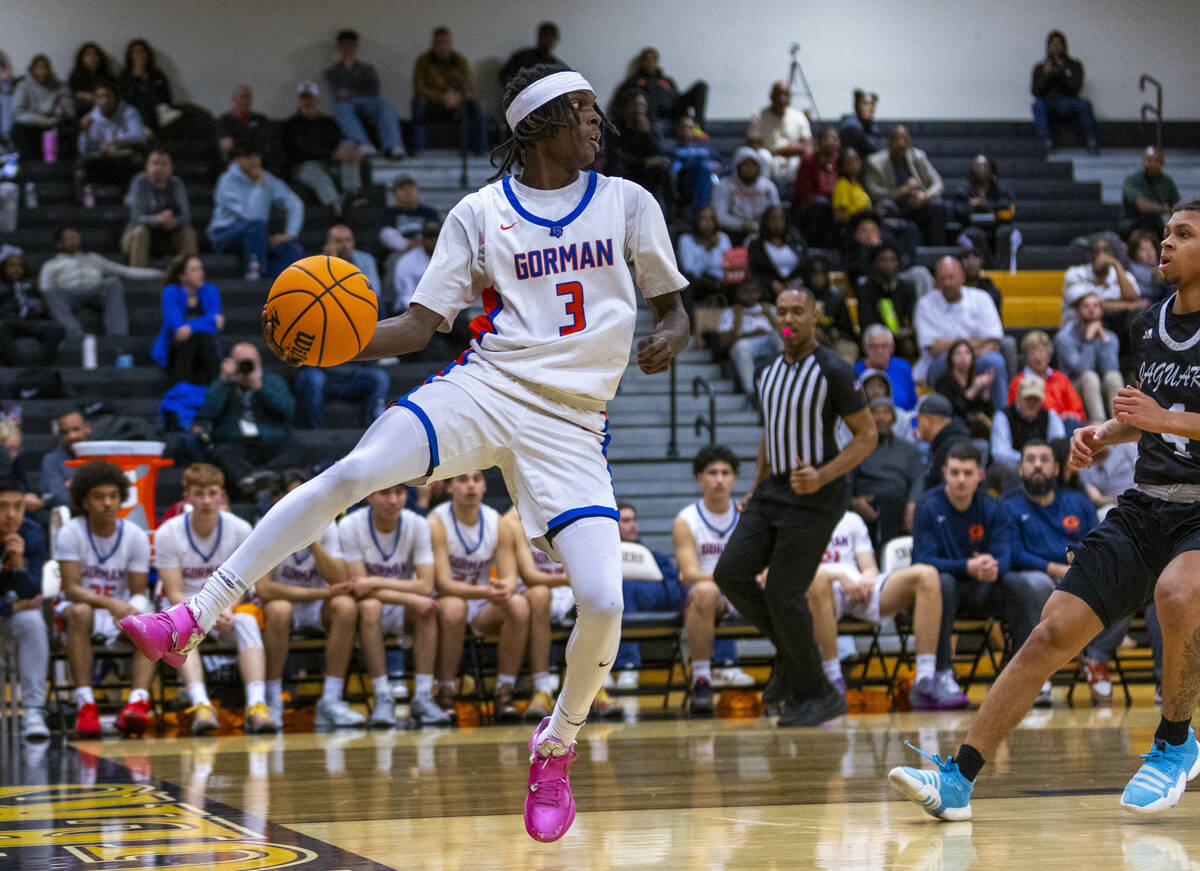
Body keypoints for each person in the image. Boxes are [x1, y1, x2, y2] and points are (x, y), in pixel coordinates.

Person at [120, 63, 691, 844]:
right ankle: (195, 612)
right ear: (540, 124)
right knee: (351, 472)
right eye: (585, 111)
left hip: (572, 424)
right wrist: (331, 345)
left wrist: (669, 335)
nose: (601, 123)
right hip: (486, 386)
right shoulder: (480, 213)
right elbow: (420, 325)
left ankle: (555, 745)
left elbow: (675, 309)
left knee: (604, 601)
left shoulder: (630, 203)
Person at [889, 201, 1200, 821]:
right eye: (1165, 232)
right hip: (1145, 505)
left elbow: (1165, 417)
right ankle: (959, 780)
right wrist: (1103, 433)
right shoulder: (1145, 324)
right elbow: (1149, 417)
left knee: (1178, 593)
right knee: (1050, 632)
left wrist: (1155, 419)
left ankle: (1175, 741)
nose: (1166, 242)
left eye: (1183, 234)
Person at [713, 287, 876, 727]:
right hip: (774, 490)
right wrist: (756, 486)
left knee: (784, 594)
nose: (788, 318)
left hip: (818, 494)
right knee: (729, 573)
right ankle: (793, 658)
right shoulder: (767, 371)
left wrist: (823, 474)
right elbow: (773, 433)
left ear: (814, 316)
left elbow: (867, 436)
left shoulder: (835, 370)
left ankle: (818, 692)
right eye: (781, 310)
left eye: (797, 311)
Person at [912, 442, 1036, 709]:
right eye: (955, 472)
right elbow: (922, 560)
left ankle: (1020, 675)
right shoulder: (927, 505)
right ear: (944, 472)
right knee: (940, 581)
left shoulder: (993, 506)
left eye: (967, 473)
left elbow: (1005, 554)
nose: (960, 480)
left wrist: (994, 566)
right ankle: (942, 673)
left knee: (1018, 583)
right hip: (943, 593)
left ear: (980, 475)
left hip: (981, 588)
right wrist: (966, 566)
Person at [253, 471, 369, 729]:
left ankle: (330, 700)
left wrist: (313, 540)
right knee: (279, 610)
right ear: (279, 500)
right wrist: (321, 593)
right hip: (286, 603)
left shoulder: (327, 525)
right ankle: (273, 700)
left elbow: (340, 581)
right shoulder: (266, 526)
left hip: (317, 606)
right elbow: (264, 589)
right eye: (295, 495)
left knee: (346, 607)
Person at [153, 464, 260, 733]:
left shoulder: (240, 528)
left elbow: (242, 584)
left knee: (247, 620)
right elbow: (173, 590)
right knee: (181, 627)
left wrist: (226, 609)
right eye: (199, 494)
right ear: (186, 497)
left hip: (226, 610)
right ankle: (201, 704)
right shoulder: (168, 533)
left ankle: (258, 706)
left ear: (222, 496)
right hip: (186, 609)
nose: (206, 501)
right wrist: (204, 613)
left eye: (212, 493)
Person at [806, 508, 945, 705]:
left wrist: (866, 579)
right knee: (818, 581)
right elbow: (795, 570)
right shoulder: (794, 518)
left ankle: (925, 679)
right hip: (819, 592)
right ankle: (832, 681)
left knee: (926, 574)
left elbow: (869, 566)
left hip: (858, 589)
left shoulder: (851, 519)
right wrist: (837, 576)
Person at [55, 460, 153, 737]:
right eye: (99, 497)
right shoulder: (70, 532)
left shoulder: (135, 536)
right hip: (81, 610)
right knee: (81, 610)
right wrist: (112, 604)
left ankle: (137, 703)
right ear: (85, 501)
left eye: (113, 496)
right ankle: (85, 704)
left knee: (148, 619)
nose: (108, 503)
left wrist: (131, 610)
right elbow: (72, 588)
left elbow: (138, 590)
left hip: (120, 611)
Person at [339, 484, 450, 727]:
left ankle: (423, 695)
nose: (393, 500)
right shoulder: (349, 525)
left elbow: (426, 584)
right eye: (385, 493)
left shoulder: (417, 524)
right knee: (370, 606)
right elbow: (358, 587)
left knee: (428, 608)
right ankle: (383, 696)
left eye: (399, 493)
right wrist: (411, 596)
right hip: (373, 605)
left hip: (401, 606)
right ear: (369, 495)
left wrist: (374, 581)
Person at [1001, 441, 1103, 702]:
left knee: (1118, 585)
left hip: (1078, 574)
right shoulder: (1008, 506)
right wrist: (1054, 568)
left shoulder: (1078, 502)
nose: (1037, 465)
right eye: (1031, 459)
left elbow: (1097, 543)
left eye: (1044, 459)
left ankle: (1096, 658)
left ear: (1056, 468)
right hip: (1033, 576)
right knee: (1036, 584)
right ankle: (1038, 670)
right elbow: (1012, 553)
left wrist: (1078, 569)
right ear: (1021, 468)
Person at [429, 471, 527, 720]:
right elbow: (442, 584)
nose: (470, 485)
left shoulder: (498, 522)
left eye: (476, 479)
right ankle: (446, 690)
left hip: (484, 604)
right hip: (448, 601)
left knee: (518, 605)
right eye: (462, 479)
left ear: (484, 486)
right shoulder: (436, 522)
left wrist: (503, 589)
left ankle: (504, 691)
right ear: (450, 487)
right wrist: (487, 590)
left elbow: (509, 577)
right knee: (454, 608)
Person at [673, 446, 753, 716]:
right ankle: (702, 679)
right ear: (700, 479)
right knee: (705, 591)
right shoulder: (686, 520)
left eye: (725, 473)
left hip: (746, 591)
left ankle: (794, 675)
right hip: (710, 597)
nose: (719, 479)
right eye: (712, 473)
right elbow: (690, 573)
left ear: (734, 479)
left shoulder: (749, 515)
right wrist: (733, 577)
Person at [191, 342, 301, 499]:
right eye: (241, 362)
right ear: (232, 363)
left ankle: (259, 479)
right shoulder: (224, 384)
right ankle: (258, 481)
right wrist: (223, 380)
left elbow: (287, 409)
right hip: (237, 443)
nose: (246, 367)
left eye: (250, 362)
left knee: (295, 449)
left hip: (271, 441)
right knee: (223, 452)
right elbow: (207, 412)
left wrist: (258, 386)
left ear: (259, 363)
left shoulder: (272, 381)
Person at [504, 506, 580, 722]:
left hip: (569, 589)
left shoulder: (575, 506)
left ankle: (593, 687)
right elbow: (530, 576)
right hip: (535, 591)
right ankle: (542, 688)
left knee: (596, 594)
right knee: (539, 595)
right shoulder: (512, 519)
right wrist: (575, 579)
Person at [38, 226, 159, 349]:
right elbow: (44, 289)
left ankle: (117, 337)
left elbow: (125, 271)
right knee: (50, 293)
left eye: (75, 237)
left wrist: (160, 273)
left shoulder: (93, 258)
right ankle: (75, 336)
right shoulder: (50, 265)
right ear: (59, 243)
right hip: (69, 293)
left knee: (113, 282)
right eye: (69, 238)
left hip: (95, 290)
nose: (74, 240)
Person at [915, 257, 1007, 409]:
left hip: (979, 359)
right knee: (945, 363)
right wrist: (971, 345)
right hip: (940, 362)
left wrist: (953, 347)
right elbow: (933, 346)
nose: (947, 283)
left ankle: (1000, 417)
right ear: (936, 281)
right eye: (942, 278)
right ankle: (946, 416)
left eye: (951, 277)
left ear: (962, 277)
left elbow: (993, 339)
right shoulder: (926, 303)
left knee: (994, 362)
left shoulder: (981, 298)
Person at [207, 143, 304, 281]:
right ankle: (256, 275)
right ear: (237, 160)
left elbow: (295, 203)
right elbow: (250, 216)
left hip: (256, 234)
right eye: (248, 156)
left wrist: (290, 234)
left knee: (291, 247)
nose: (254, 160)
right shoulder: (227, 181)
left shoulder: (267, 178)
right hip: (224, 235)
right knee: (256, 226)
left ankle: (284, 284)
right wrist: (258, 184)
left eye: (256, 156)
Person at [0, 475, 50, 740]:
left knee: (32, 620)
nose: (11, 514)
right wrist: (12, 607)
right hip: (8, 607)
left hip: (13, 609)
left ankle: (33, 710)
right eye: (2, 506)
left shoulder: (31, 533)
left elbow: (32, 594)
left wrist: (18, 562)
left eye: (18, 506)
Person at [849, 396, 924, 549]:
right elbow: (844, 481)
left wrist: (912, 505)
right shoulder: (855, 448)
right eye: (875, 412)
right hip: (866, 508)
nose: (881, 417)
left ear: (894, 418)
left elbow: (918, 478)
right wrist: (853, 502)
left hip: (898, 507)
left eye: (886, 412)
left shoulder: (909, 450)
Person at [282, 82, 364, 220]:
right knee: (316, 172)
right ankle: (335, 203)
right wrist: (333, 153)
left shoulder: (329, 122)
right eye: (304, 98)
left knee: (350, 151)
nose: (307, 101)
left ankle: (351, 194)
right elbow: (302, 148)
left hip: (329, 164)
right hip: (303, 167)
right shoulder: (292, 124)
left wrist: (351, 150)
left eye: (310, 97)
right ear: (299, 100)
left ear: (316, 99)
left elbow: (340, 141)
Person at [326, 30, 406, 159]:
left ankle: (393, 145)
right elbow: (338, 93)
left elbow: (373, 90)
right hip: (348, 106)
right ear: (339, 47)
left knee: (384, 105)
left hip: (368, 103)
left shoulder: (367, 69)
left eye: (351, 45)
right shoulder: (333, 71)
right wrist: (357, 91)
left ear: (356, 47)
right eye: (344, 45)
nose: (348, 48)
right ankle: (363, 143)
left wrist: (350, 92)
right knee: (339, 107)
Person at [865, 125, 947, 246]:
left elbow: (938, 183)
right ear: (889, 142)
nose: (901, 143)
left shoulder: (918, 156)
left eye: (904, 139)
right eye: (897, 139)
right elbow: (872, 191)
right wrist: (902, 190)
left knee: (938, 206)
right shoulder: (875, 162)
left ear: (909, 142)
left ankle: (937, 252)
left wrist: (925, 195)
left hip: (916, 204)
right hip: (894, 206)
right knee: (886, 209)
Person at [412, 27, 487, 156]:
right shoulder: (423, 60)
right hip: (431, 102)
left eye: (445, 42)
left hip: (456, 101)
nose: (442, 46)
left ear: (450, 43)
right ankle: (417, 149)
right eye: (438, 42)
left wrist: (458, 97)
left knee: (475, 105)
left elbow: (469, 86)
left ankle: (480, 150)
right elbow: (419, 87)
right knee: (418, 104)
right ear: (433, 43)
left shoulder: (460, 61)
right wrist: (441, 97)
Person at [152, 254, 223, 387]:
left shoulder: (211, 292)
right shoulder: (171, 292)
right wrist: (209, 321)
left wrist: (190, 327)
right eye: (194, 270)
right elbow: (178, 329)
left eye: (201, 268)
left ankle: (215, 387)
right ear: (182, 276)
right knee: (190, 338)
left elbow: (216, 327)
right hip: (176, 349)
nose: (200, 273)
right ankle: (181, 388)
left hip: (205, 349)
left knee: (203, 337)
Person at [1061, 235, 1144, 348]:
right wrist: (1129, 306)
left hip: (1112, 335)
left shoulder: (1122, 275)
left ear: (1113, 254)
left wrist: (1116, 265)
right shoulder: (1075, 273)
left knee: (1135, 316)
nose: (1102, 256)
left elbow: (1133, 298)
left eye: (1106, 251)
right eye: (1096, 251)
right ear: (1089, 255)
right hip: (1077, 334)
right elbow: (1090, 307)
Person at [1055, 292, 1125, 423]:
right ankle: (1098, 422)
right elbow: (1082, 369)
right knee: (1089, 377)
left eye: (1095, 306)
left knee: (1113, 376)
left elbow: (1109, 368)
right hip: (1073, 388)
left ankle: (1119, 423)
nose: (1091, 309)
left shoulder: (1110, 338)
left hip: (1098, 386)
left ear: (1101, 311)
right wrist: (1088, 340)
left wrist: (1104, 341)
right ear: (1077, 311)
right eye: (1086, 306)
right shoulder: (1064, 338)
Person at [611, 47, 707, 140]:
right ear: (641, 62)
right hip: (651, 117)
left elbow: (677, 98)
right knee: (646, 93)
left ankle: (698, 128)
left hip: (673, 113)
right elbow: (619, 104)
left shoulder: (667, 81)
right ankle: (653, 130)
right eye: (647, 59)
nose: (650, 62)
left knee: (701, 86)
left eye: (654, 59)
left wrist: (685, 119)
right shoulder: (633, 81)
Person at [122, 149, 197, 268]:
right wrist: (158, 219)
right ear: (147, 166)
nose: (159, 168)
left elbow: (186, 216)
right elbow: (136, 217)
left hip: (167, 235)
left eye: (164, 164)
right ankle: (137, 279)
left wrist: (173, 221)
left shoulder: (176, 184)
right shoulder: (139, 182)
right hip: (137, 236)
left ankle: (189, 277)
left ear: (171, 168)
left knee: (188, 232)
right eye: (155, 163)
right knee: (141, 232)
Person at [1031, 30, 1099, 154]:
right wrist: (1046, 74)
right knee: (1038, 105)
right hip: (1049, 103)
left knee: (1085, 104)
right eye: (1053, 44)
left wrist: (1063, 72)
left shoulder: (1074, 65)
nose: (1056, 47)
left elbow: (1076, 88)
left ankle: (1092, 140)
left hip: (1069, 102)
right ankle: (1045, 142)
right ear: (1048, 47)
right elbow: (1036, 91)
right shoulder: (1040, 68)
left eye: (1058, 44)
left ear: (1064, 46)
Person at [76, 81, 149, 191]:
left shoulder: (129, 112)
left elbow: (139, 136)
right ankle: (87, 200)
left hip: (126, 155)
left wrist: (116, 141)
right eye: (100, 97)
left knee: (139, 155)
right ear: (95, 100)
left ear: (116, 98)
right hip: (105, 158)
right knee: (81, 164)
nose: (105, 101)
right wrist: (84, 132)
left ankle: (131, 195)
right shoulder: (92, 117)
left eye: (108, 96)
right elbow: (84, 150)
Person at [0, 247, 65, 367]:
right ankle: (19, 365)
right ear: (3, 268)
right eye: (11, 266)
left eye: (20, 266)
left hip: (29, 322)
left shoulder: (30, 285)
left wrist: (41, 309)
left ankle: (36, 363)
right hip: (7, 321)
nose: (16, 270)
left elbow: (44, 310)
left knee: (57, 330)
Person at [1007, 330, 1085, 431]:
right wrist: (1055, 418)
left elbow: (1076, 408)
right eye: (1032, 352)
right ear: (1026, 357)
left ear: (1049, 355)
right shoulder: (1018, 382)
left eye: (1041, 351)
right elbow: (1013, 412)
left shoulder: (1061, 378)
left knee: (1073, 423)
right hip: (1033, 427)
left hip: (1065, 425)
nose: (1037, 357)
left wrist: (1072, 415)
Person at [717, 278, 781, 400]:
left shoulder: (770, 309)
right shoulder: (730, 313)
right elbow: (724, 342)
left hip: (770, 343)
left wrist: (784, 331)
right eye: (745, 291)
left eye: (753, 291)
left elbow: (787, 330)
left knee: (782, 336)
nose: (750, 295)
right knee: (741, 346)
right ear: (738, 293)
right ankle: (752, 392)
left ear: (759, 293)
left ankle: (786, 382)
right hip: (747, 346)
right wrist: (754, 333)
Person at [991, 375, 1066, 477]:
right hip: (1012, 473)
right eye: (1028, 398)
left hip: (1043, 473)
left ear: (1042, 399)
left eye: (1036, 399)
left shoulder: (1051, 416)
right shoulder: (1002, 416)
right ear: (1018, 397)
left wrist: (1038, 462)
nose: (1032, 403)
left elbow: (1059, 446)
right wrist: (1031, 461)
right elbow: (1000, 454)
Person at [605, 92, 671, 206]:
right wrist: (642, 162)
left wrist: (646, 133)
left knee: (663, 166)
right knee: (617, 167)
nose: (639, 109)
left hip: (644, 170)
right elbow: (614, 154)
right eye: (636, 105)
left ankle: (667, 210)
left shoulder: (650, 127)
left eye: (642, 106)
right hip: (626, 168)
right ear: (627, 107)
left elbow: (658, 153)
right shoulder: (614, 127)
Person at [854, 243, 917, 360]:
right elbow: (866, 323)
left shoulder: (907, 288)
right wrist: (895, 334)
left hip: (902, 339)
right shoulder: (865, 289)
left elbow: (914, 319)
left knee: (911, 345)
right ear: (874, 264)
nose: (888, 264)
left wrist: (907, 334)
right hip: (876, 338)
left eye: (892, 260)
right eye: (883, 260)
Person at [952, 155, 1016, 265]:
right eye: (978, 166)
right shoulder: (964, 190)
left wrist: (986, 204)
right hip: (974, 227)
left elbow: (1008, 208)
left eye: (985, 166)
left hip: (997, 226)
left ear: (991, 169)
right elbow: (959, 212)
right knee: (974, 234)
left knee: (1006, 232)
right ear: (973, 169)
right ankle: (988, 268)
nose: (981, 169)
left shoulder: (1000, 189)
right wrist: (972, 206)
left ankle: (1002, 271)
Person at [746, 81, 811, 187]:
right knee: (763, 155)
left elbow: (808, 146)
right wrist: (779, 152)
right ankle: (763, 191)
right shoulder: (758, 117)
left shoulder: (799, 117)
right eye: (779, 94)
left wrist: (795, 150)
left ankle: (793, 195)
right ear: (771, 96)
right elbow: (753, 146)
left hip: (791, 160)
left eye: (786, 95)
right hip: (770, 160)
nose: (782, 99)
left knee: (796, 161)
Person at [10, 54, 73, 160]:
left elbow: (70, 109)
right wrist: (38, 120)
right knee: (17, 129)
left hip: (54, 123)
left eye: (45, 67)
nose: (43, 71)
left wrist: (62, 110)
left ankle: (63, 163)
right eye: (39, 67)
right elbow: (17, 112)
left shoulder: (60, 85)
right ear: (32, 69)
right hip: (32, 124)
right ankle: (29, 164)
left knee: (71, 126)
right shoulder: (23, 85)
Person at [712, 147, 779, 240]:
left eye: (753, 164)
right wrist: (741, 225)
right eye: (745, 164)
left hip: (763, 232)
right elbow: (718, 215)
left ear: (759, 167)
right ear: (737, 166)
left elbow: (776, 213)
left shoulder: (768, 186)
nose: (749, 168)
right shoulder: (724, 184)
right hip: (733, 233)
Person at [935, 339, 996, 440]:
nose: (963, 357)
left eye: (967, 353)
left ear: (973, 358)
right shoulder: (944, 382)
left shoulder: (974, 380)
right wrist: (973, 389)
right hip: (953, 430)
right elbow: (955, 411)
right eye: (958, 354)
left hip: (975, 431)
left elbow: (987, 413)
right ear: (951, 358)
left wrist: (986, 390)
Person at [803, 255, 857, 364]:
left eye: (822, 273)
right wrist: (805, 333)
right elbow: (785, 331)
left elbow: (851, 333)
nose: (818, 277)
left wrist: (837, 334)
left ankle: (843, 379)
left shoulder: (837, 299)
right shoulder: (796, 299)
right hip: (802, 342)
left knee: (849, 348)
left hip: (831, 344)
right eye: (814, 273)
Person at [792, 126, 839, 246]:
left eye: (833, 138)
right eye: (825, 138)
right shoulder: (809, 161)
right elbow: (803, 192)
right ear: (817, 142)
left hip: (836, 205)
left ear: (838, 142)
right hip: (810, 207)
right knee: (821, 204)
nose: (829, 141)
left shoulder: (841, 161)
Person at [117, 38, 178, 131]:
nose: (140, 55)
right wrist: (138, 79)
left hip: (155, 111)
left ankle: (161, 112)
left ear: (148, 54)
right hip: (134, 110)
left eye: (143, 51)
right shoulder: (124, 76)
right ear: (130, 55)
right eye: (135, 52)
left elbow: (166, 93)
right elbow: (123, 98)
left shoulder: (156, 74)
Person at [915, 393, 970, 492]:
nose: (917, 426)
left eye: (918, 420)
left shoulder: (955, 447)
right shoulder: (943, 443)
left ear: (928, 420)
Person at [855, 323, 916, 412]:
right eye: (874, 346)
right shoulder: (855, 373)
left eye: (884, 346)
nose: (879, 351)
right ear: (865, 348)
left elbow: (914, 403)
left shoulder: (904, 367)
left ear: (892, 348)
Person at [675, 205, 730, 303]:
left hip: (721, 280)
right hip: (698, 281)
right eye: (704, 219)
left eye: (711, 219)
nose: (708, 223)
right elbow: (690, 270)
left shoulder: (723, 238)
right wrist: (707, 250)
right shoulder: (686, 240)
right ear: (696, 220)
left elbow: (728, 264)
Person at [1122, 146, 1180, 237]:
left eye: (1156, 161)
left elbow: (1175, 207)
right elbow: (1142, 205)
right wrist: (1164, 209)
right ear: (1143, 161)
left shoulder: (1167, 181)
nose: (1152, 164)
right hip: (1133, 225)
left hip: (1157, 225)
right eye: (1149, 160)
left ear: (1162, 163)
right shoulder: (1132, 180)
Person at [747, 205, 805, 296]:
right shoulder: (756, 245)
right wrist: (770, 282)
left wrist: (798, 280)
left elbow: (805, 265)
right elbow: (753, 271)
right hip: (766, 291)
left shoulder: (796, 241)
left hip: (795, 289)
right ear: (766, 221)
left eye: (781, 219)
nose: (778, 223)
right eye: (773, 219)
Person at [39, 409, 91, 511]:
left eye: (76, 429)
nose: (71, 436)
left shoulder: (102, 454)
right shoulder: (51, 460)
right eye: (65, 432)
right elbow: (60, 498)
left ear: (87, 428)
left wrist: (72, 484)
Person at [392, 219, 439, 316]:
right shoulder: (407, 260)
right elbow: (406, 296)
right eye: (429, 238)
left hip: (441, 313)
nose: (433, 243)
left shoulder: (449, 260)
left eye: (436, 238)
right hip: (409, 312)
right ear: (422, 239)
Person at [215, 85, 269, 162]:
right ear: (234, 99)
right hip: (235, 163)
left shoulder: (261, 120)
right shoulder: (224, 121)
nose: (245, 101)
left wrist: (238, 143)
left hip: (258, 162)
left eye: (248, 98)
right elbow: (226, 145)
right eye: (242, 97)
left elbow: (265, 143)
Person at [501, 22, 564, 89]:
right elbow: (505, 77)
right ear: (539, 37)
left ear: (556, 39)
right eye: (545, 36)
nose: (547, 39)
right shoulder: (521, 57)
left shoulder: (557, 66)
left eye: (551, 36)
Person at [67, 42, 114, 118]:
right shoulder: (76, 75)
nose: (92, 57)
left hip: (104, 104)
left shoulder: (107, 75)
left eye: (95, 54)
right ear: (82, 58)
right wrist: (86, 96)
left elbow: (113, 92)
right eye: (88, 55)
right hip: (85, 106)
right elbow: (73, 93)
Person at [838, 89, 882, 159]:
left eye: (872, 104)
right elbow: (872, 150)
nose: (870, 108)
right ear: (856, 106)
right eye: (865, 104)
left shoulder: (873, 128)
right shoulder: (850, 127)